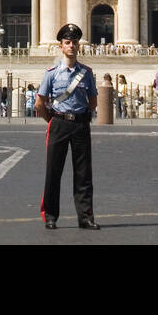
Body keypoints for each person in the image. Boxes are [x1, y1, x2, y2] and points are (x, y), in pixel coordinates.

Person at [35, 23, 99, 230]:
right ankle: (51, 216)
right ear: (61, 46)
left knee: (83, 173)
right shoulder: (52, 73)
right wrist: (53, 120)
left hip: (80, 124)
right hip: (59, 123)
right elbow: (40, 101)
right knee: (54, 171)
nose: (71, 46)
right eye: (67, 42)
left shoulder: (87, 73)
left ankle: (86, 217)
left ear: (78, 46)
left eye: (74, 42)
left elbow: (93, 101)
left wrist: (81, 116)